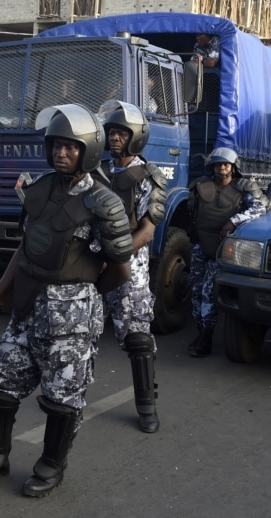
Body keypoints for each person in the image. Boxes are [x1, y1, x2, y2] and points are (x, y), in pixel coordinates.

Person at [0, 104, 133, 499]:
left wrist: (82, 295)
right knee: (1, 384)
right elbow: (25, 252)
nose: (61, 153)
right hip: (26, 307)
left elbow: (120, 270)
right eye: (56, 145)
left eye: (70, 147)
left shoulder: (104, 204)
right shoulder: (38, 190)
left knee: (61, 397)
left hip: (71, 318)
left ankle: (51, 465)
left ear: (87, 149)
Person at [94, 100, 168, 433]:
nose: (114, 139)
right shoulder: (97, 171)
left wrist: (116, 254)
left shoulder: (148, 177)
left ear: (135, 137)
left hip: (129, 268)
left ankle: (146, 406)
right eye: (111, 133)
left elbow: (147, 230)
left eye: (121, 134)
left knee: (137, 339)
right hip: (92, 263)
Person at [186, 147, 267, 357]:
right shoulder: (200, 186)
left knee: (208, 292)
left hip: (223, 247)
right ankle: (200, 331)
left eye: (226, 164)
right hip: (200, 245)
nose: (221, 168)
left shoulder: (243, 188)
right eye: (218, 164)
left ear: (233, 167)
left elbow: (260, 208)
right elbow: (190, 212)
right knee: (195, 290)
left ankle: (206, 338)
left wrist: (234, 220)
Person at [192, 32, 221, 113]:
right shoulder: (197, 45)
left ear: (207, 35)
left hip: (216, 79)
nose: (197, 38)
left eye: (200, 35)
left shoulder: (215, 40)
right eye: (196, 35)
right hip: (201, 79)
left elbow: (211, 63)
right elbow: (193, 63)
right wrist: (198, 62)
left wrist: (200, 62)